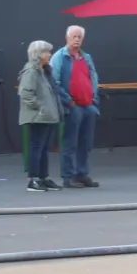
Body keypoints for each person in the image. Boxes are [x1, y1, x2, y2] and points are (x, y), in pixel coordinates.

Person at [50, 25, 101, 188]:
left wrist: (93, 99)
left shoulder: (86, 57)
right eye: (74, 36)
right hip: (72, 106)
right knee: (69, 142)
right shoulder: (59, 57)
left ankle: (82, 174)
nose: (77, 39)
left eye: (79, 36)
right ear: (67, 38)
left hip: (88, 105)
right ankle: (68, 176)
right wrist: (68, 101)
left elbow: (93, 78)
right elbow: (54, 82)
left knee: (86, 143)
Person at [18, 40, 63, 193]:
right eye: (47, 52)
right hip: (38, 116)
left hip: (47, 116)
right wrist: (41, 109)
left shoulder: (45, 71)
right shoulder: (31, 71)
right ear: (39, 54)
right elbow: (25, 93)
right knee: (36, 147)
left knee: (44, 148)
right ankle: (33, 179)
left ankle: (43, 178)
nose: (50, 55)